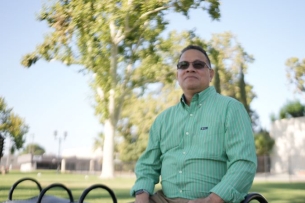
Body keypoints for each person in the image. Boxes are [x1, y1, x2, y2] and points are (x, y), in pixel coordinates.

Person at [130, 45, 257, 203]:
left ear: (211, 74)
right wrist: (141, 196)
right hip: (162, 199)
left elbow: (243, 162)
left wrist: (213, 199)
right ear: (178, 74)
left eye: (198, 65)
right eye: (183, 65)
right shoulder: (163, 119)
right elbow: (147, 165)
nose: (190, 69)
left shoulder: (231, 109)